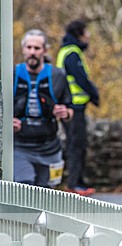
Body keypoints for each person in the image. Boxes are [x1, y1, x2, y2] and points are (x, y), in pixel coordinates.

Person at [12, 29, 74, 188]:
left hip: (50, 148)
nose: (32, 52)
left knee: (46, 194)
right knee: (24, 187)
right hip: (20, 147)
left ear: (45, 50)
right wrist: (6, 123)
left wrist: (65, 113)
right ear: (23, 49)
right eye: (29, 47)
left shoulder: (58, 75)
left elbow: (71, 109)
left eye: (37, 48)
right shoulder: (11, 74)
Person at [56, 19, 100, 196]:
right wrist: (94, 94)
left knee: (78, 144)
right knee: (76, 145)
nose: (88, 37)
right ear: (79, 34)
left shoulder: (67, 51)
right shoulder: (72, 53)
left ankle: (78, 182)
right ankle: (75, 184)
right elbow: (81, 79)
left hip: (73, 106)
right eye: (86, 33)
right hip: (73, 107)